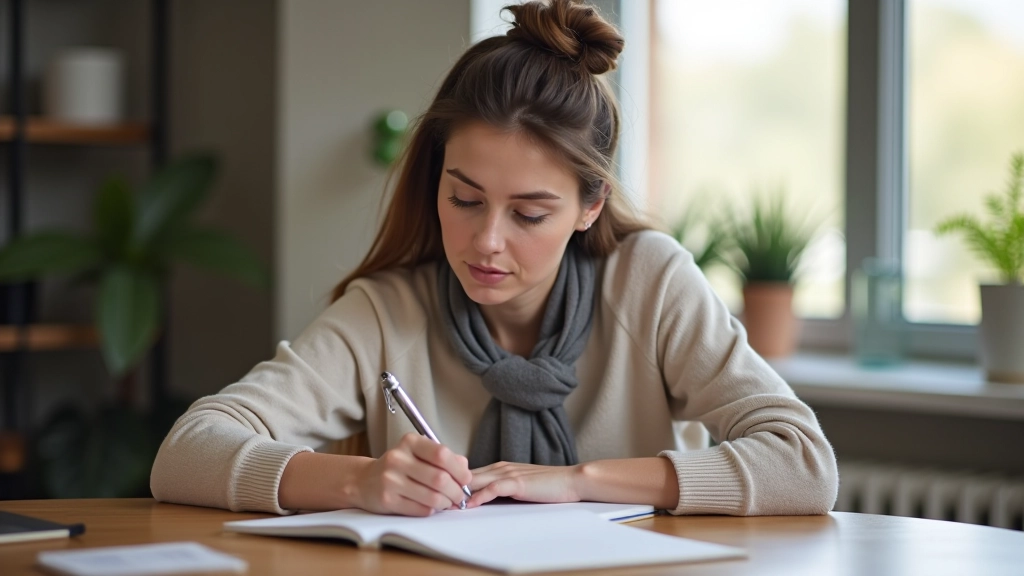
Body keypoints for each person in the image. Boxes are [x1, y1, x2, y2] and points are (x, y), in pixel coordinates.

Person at [151, 0, 838, 518]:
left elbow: (804, 464)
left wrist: (578, 483)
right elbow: (185, 453)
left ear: (590, 205)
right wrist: (358, 481)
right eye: (465, 199)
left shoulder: (650, 283)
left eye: (529, 214)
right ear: (436, 180)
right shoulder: (386, 314)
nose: (486, 241)